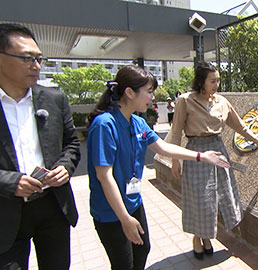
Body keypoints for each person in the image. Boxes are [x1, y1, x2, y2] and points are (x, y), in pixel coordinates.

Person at [86, 65, 230, 270]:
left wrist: (201, 156)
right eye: (149, 92)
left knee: (142, 250)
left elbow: (163, 147)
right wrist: (125, 219)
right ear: (129, 92)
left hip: (133, 202)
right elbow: (104, 176)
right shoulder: (104, 125)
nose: (152, 97)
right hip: (111, 212)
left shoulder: (137, 122)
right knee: (123, 263)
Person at [169, 62, 258, 260]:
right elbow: (176, 132)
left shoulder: (222, 102)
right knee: (199, 199)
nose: (216, 84)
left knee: (216, 197)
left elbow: (241, 127)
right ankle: (197, 238)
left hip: (217, 150)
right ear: (201, 81)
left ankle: (207, 237)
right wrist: (175, 160)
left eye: (218, 80)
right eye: (212, 81)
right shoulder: (185, 101)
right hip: (196, 153)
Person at [0, 23, 81, 269]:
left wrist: (65, 167)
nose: (36, 66)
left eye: (39, 58)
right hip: (6, 215)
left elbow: (72, 145)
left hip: (53, 205)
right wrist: (10, 182)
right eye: (27, 59)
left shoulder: (55, 98)